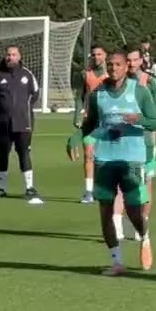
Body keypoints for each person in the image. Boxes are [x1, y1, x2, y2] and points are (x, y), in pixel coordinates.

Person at [74, 51, 156, 275]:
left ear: (125, 68)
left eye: (118, 64)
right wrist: (75, 137)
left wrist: (138, 119)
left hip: (131, 159)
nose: (113, 68)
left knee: (133, 210)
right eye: (111, 65)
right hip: (104, 158)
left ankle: (145, 236)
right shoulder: (97, 95)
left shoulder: (139, 92)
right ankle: (116, 261)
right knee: (105, 210)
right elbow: (90, 124)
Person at [0, 45, 42, 203]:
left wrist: (23, 109)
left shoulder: (27, 75)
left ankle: (29, 187)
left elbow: (35, 94)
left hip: (24, 123)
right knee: (2, 154)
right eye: (8, 55)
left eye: (14, 55)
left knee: (24, 153)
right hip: (2, 124)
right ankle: (1, 188)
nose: (10, 57)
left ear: (19, 56)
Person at [120, 47, 156, 241]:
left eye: (134, 60)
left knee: (145, 183)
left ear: (141, 61)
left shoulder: (150, 83)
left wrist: (142, 123)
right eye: (127, 60)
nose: (131, 64)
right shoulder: (116, 83)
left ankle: (143, 222)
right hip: (122, 141)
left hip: (145, 141)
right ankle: (123, 223)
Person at [71, 44, 108, 203]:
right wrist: (77, 116)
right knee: (88, 154)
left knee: (106, 157)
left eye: (99, 54)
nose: (96, 57)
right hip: (90, 120)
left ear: (105, 55)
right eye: (94, 54)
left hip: (108, 120)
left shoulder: (113, 73)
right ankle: (88, 191)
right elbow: (79, 96)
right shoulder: (85, 74)